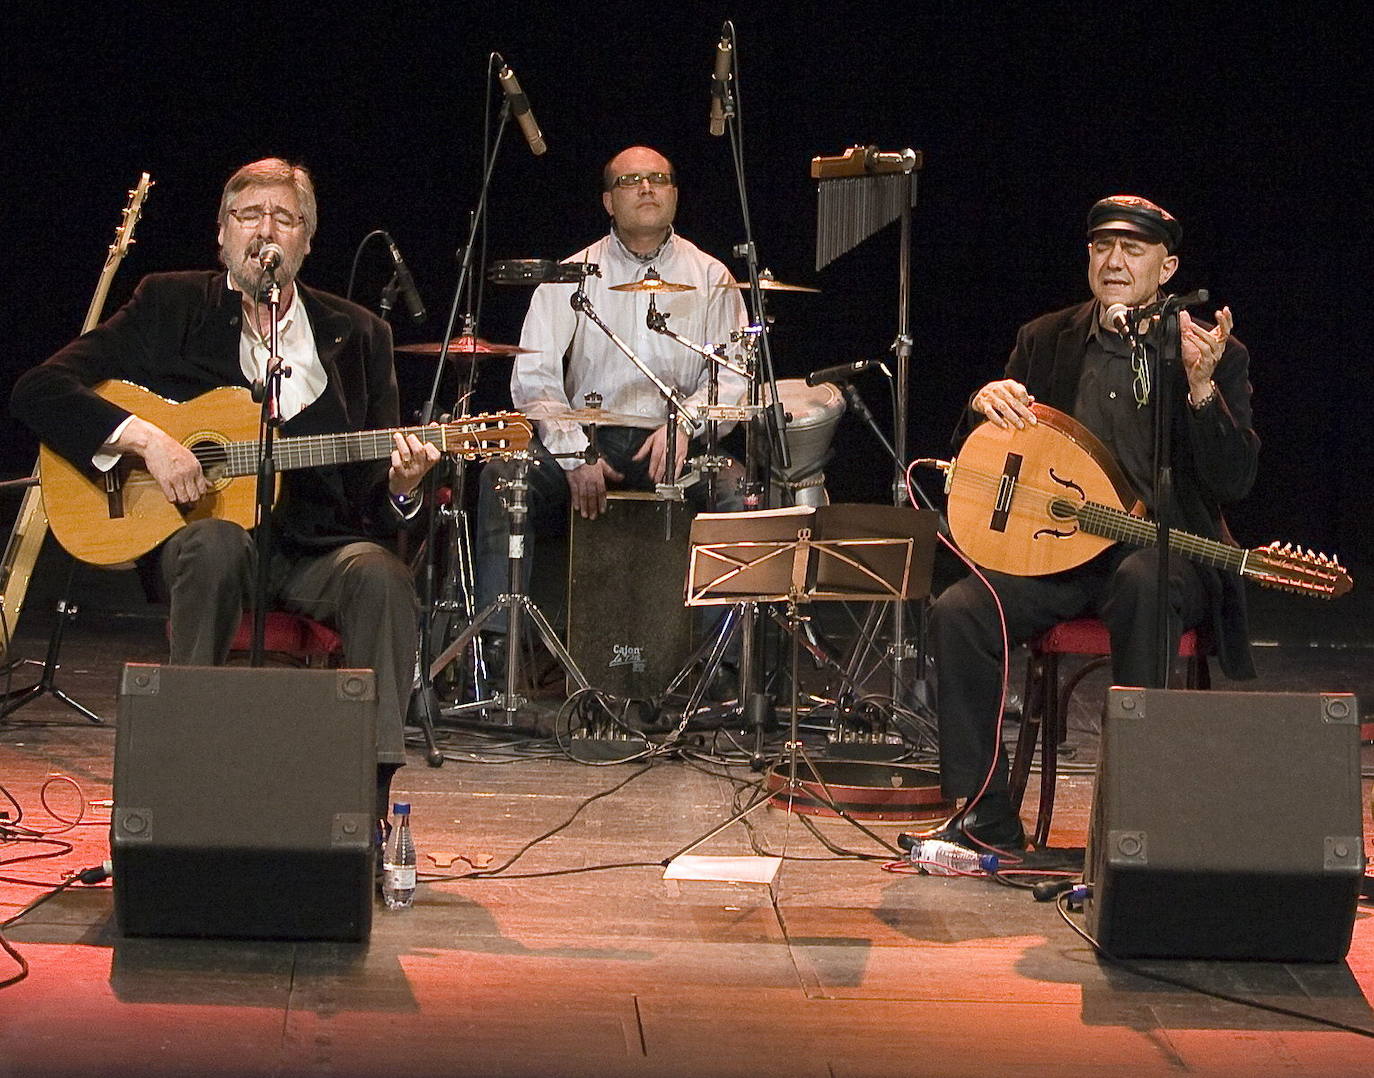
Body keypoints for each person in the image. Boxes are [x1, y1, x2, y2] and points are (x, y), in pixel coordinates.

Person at [10, 158, 440, 823]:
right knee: (214, 542)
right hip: (204, 543)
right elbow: (39, 390)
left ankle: (370, 797)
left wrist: (403, 487)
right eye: (249, 215)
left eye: (284, 217)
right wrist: (148, 441)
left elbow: (370, 500)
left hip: (313, 553)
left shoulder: (358, 335)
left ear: (305, 240)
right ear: (221, 234)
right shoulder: (170, 304)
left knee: (379, 576)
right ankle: (188, 771)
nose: (265, 230)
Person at [928, 195, 1259, 850]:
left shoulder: (1208, 351)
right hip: (1058, 553)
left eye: (1133, 250)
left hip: (1167, 557)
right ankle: (984, 816)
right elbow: (990, 453)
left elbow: (1234, 482)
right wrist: (981, 403)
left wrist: (1200, 391)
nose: (1114, 261)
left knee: (1141, 577)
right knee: (960, 609)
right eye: (1102, 247)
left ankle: (1135, 816)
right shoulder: (1045, 339)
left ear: (1167, 270)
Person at [474, 145, 748, 648]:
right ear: (607, 201)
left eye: (659, 179)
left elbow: (733, 379)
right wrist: (575, 452)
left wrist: (684, 425)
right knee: (502, 475)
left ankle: (723, 665)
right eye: (631, 181)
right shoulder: (570, 275)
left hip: (673, 444)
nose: (647, 188)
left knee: (736, 490)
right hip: (588, 439)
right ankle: (497, 651)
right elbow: (533, 377)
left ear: (675, 194)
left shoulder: (712, 277)